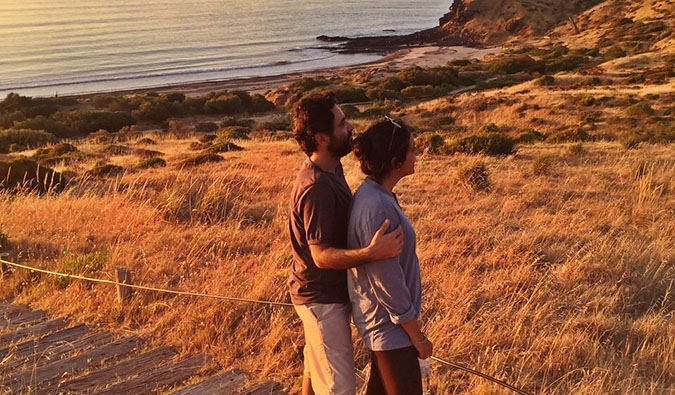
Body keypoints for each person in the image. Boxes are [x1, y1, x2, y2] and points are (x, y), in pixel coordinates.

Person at [289, 92, 404, 395]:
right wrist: (371, 253)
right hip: (321, 299)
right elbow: (321, 256)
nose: (350, 127)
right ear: (322, 137)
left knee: (317, 368)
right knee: (338, 387)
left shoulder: (331, 168)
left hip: (323, 294)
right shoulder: (316, 188)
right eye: (341, 124)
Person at [347, 118, 432, 395]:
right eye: (411, 150)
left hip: (385, 327)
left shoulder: (376, 194)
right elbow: (388, 282)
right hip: (391, 330)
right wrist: (416, 336)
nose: (416, 155)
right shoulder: (378, 207)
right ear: (396, 160)